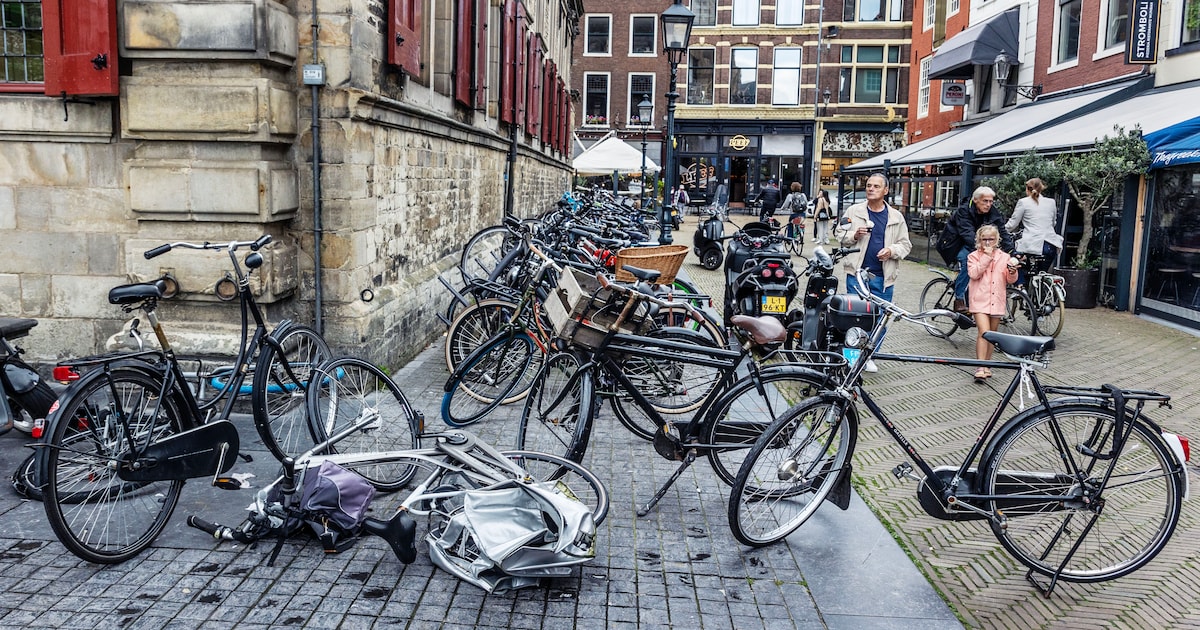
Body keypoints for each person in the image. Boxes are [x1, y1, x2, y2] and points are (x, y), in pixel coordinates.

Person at [835, 172, 912, 373]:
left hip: (884, 277)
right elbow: (839, 234)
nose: (870, 189)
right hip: (857, 274)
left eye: (876, 186)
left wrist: (891, 251)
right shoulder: (854, 210)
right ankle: (852, 356)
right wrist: (854, 234)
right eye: (869, 185)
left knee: (879, 319)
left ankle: (869, 355)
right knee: (855, 316)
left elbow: (905, 245)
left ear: (885, 191)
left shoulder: (896, 217)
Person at [967, 224, 1020, 382]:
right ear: (979, 240)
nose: (988, 242)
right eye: (985, 239)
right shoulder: (973, 256)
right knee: (984, 332)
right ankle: (980, 367)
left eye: (991, 239)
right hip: (979, 300)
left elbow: (1010, 280)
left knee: (993, 334)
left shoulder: (1004, 257)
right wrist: (987, 257)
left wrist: (1013, 271)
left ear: (997, 240)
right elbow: (974, 273)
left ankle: (987, 366)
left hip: (996, 300)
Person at [949, 186, 1014, 313]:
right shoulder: (964, 211)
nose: (989, 204)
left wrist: (1011, 251)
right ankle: (959, 298)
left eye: (991, 201)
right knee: (968, 263)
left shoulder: (993, 211)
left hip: (982, 243)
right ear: (976, 200)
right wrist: (983, 250)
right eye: (985, 201)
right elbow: (967, 234)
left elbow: (1002, 231)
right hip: (959, 243)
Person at [1005, 178, 1063, 277]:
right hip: (1050, 244)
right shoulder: (1051, 202)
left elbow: (1012, 224)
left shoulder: (1023, 202)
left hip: (1031, 245)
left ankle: (1021, 289)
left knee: (1015, 264)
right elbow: (1053, 223)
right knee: (1041, 275)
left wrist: (999, 232)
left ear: (1027, 189)